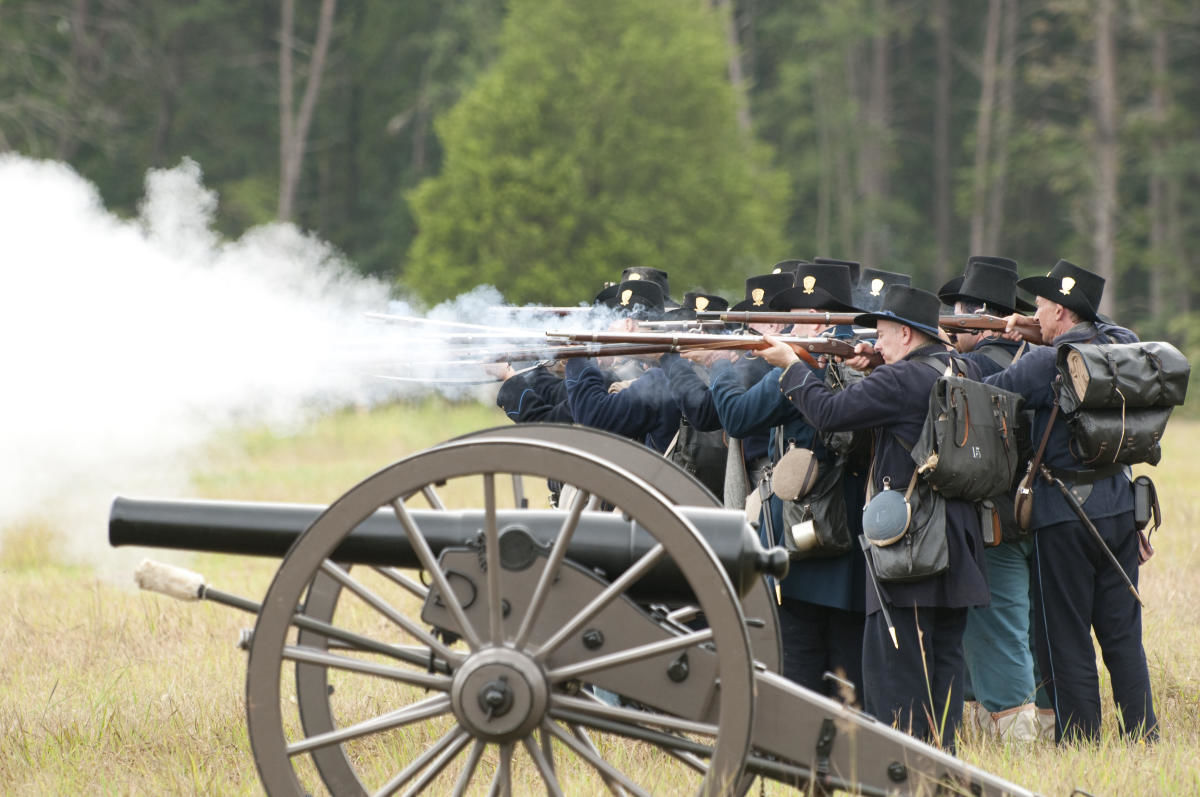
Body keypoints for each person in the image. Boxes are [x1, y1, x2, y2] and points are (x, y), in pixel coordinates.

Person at [758, 285, 990, 750]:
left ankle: (900, 766)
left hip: (910, 547)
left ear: (905, 334)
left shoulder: (899, 381)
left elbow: (827, 413)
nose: (875, 343)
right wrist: (880, 363)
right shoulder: (964, 366)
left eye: (883, 335)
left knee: (893, 674)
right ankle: (939, 761)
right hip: (958, 541)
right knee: (942, 665)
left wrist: (792, 368)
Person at [986, 259, 1157, 744]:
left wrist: (1011, 349)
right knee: (1122, 634)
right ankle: (1143, 735)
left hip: (1062, 511)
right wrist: (1037, 332)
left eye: (1040, 309)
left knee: (1065, 637)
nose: (1034, 316)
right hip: (1119, 505)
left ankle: (1081, 739)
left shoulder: (1047, 362)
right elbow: (1112, 328)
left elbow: (991, 394)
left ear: (1061, 311)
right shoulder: (1121, 346)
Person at [688, 265, 867, 699]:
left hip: (804, 535)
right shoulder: (860, 364)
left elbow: (736, 416)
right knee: (846, 667)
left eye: (808, 316)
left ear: (831, 322)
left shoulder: (797, 369)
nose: (794, 324)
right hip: (848, 531)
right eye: (797, 315)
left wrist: (722, 364)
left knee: (802, 666)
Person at [938, 259, 1042, 742]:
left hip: (995, 519)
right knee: (1026, 630)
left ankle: (1016, 745)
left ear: (974, 315)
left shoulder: (976, 365)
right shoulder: (1039, 356)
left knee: (994, 634)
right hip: (1045, 513)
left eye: (958, 310)